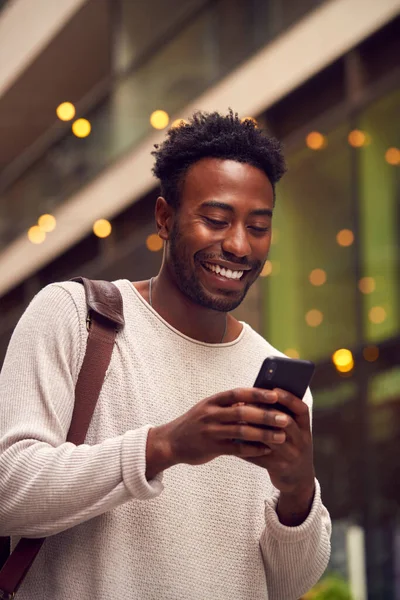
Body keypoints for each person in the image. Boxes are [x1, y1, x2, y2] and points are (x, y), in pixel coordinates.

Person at [0, 110, 331, 600]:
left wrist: (298, 492)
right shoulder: (74, 315)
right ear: (164, 217)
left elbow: (285, 586)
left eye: (258, 227)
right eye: (216, 220)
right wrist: (163, 447)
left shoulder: (273, 378)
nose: (239, 245)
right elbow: (8, 490)